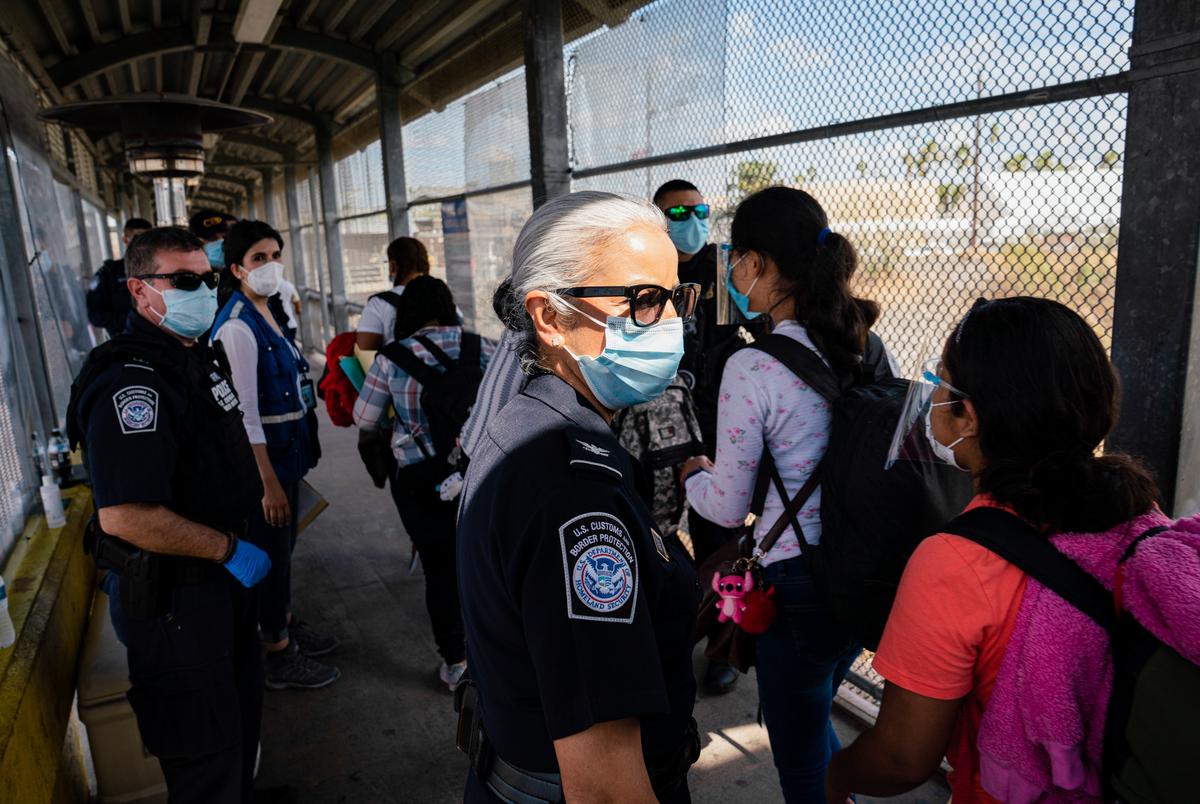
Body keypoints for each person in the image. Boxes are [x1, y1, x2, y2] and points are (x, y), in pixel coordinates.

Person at [826, 297, 1200, 804]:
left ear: (969, 417)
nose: (931, 394)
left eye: (941, 382)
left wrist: (839, 774)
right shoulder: (1133, 510)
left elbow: (901, 759)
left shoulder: (954, 560)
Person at [457, 191, 702, 803]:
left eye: (675, 299)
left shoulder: (526, 422)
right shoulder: (573, 491)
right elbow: (606, 788)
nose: (669, 324)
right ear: (550, 317)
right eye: (643, 301)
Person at [66, 226, 284, 803]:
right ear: (140, 292)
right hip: (177, 605)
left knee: (239, 722)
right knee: (204, 751)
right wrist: (229, 550)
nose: (203, 292)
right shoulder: (130, 381)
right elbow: (125, 516)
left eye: (206, 279)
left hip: (220, 593)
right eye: (184, 281)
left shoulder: (193, 358)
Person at [681, 186, 879, 803]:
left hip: (796, 584)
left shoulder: (754, 365)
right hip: (864, 569)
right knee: (814, 711)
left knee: (797, 761)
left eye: (735, 258)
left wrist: (693, 470)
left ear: (759, 262)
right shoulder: (867, 342)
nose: (733, 273)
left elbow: (723, 503)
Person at [352, 274, 494, 691]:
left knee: (440, 569)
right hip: (478, 472)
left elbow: (365, 419)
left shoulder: (392, 357)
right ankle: (501, 650)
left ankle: (456, 662)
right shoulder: (481, 345)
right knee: (485, 562)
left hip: (421, 479)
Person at [212, 220, 338, 691]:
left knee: (284, 550)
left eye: (275, 255)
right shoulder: (238, 328)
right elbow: (243, 414)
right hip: (269, 464)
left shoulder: (270, 312)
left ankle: (282, 617)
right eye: (258, 259)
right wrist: (265, 483)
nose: (270, 266)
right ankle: (278, 651)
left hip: (290, 454)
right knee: (271, 555)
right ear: (237, 269)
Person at [654, 178, 766, 695]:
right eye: (677, 214)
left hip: (715, 427)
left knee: (717, 540)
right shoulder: (647, 268)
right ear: (657, 219)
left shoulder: (725, 271)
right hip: (655, 425)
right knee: (651, 529)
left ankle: (722, 643)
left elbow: (765, 329)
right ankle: (663, 628)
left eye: (699, 210)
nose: (691, 221)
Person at [356, 236, 432, 351]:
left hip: (400, 368)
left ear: (392, 266)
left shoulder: (378, 304)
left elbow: (365, 352)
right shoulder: (443, 299)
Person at [86, 217, 152, 339]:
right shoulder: (109, 273)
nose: (141, 243)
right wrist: (128, 320)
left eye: (146, 239)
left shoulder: (160, 270)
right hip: (123, 341)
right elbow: (94, 315)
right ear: (125, 239)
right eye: (136, 237)